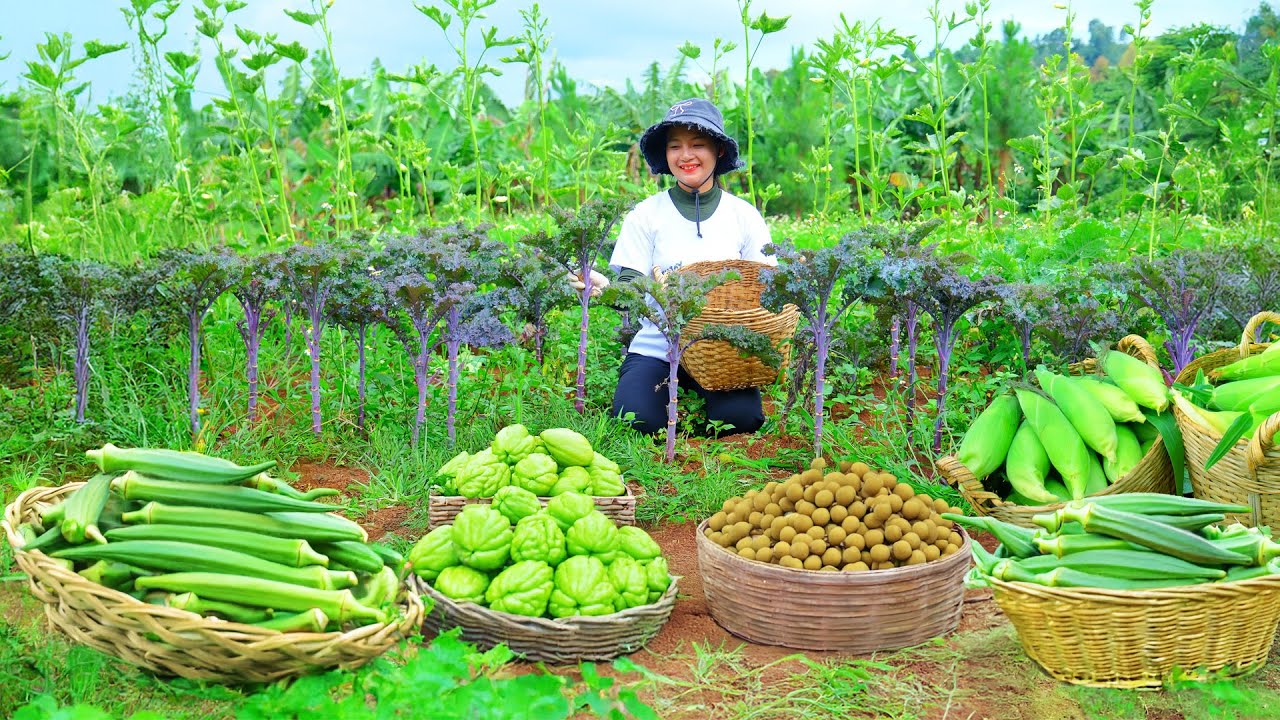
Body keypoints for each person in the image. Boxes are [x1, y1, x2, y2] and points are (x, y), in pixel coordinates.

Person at [574, 98, 775, 437]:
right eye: (675, 146)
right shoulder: (646, 215)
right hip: (658, 344)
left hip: (722, 350)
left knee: (742, 420)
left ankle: (699, 401)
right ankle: (667, 398)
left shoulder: (743, 216)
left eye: (698, 145)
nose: (686, 156)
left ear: (719, 152)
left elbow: (766, 287)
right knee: (635, 419)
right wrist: (603, 285)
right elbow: (630, 285)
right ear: (665, 155)